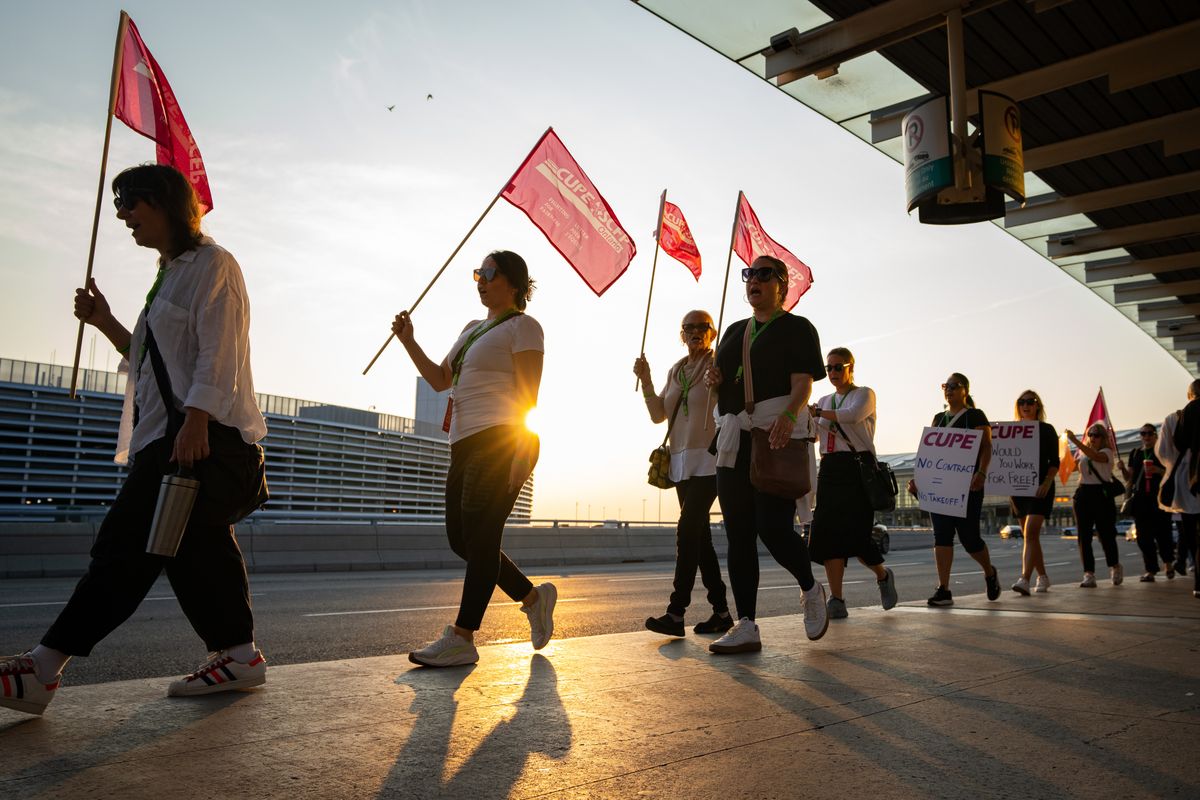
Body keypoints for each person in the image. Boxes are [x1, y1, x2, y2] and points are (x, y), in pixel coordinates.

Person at [1, 164, 268, 716]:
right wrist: (103, 321)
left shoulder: (212, 265)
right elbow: (152, 363)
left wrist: (196, 420)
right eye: (119, 202)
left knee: (123, 549)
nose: (122, 213)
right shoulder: (167, 275)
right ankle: (240, 657)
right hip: (164, 434)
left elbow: (220, 348)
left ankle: (44, 668)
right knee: (197, 549)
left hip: (191, 436)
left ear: (165, 202)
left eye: (130, 201)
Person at [392, 250, 556, 667]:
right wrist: (409, 340)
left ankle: (462, 637)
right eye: (477, 274)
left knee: (482, 539)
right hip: (463, 443)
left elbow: (529, 395)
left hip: (502, 439)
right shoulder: (471, 329)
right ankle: (534, 598)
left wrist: (523, 446)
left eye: (489, 273)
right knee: (461, 540)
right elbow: (439, 380)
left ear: (514, 283)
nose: (480, 280)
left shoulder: (524, 327)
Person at [703, 255, 829, 653]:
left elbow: (802, 383)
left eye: (762, 274)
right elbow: (723, 385)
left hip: (774, 435)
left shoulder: (797, 328)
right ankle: (746, 624)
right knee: (738, 533)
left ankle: (810, 587)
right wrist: (715, 380)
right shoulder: (734, 332)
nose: (752, 280)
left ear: (781, 284)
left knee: (773, 529)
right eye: (748, 275)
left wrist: (789, 415)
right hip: (734, 440)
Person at [633, 311, 733, 636]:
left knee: (687, 527)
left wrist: (721, 387)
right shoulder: (677, 370)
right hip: (680, 462)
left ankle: (676, 612)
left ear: (712, 332)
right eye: (688, 327)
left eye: (702, 327)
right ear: (682, 333)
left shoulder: (718, 363)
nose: (695, 332)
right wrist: (646, 380)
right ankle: (721, 612)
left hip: (710, 459)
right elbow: (657, 414)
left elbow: (730, 406)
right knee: (700, 538)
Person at [808, 347, 898, 618]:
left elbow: (852, 415)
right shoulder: (824, 399)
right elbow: (813, 432)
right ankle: (837, 599)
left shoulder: (864, 394)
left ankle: (882, 575)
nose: (833, 373)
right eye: (829, 368)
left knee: (857, 535)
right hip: (830, 467)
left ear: (850, 368)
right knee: (826, 534)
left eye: (838, 367)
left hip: (857, 467)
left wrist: (818, 412)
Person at [910, 373, 1001, 606]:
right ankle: (944, 589)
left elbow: (987, 446)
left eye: (953, 386)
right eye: (945, 386)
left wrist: (981, 473)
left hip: (968, 486)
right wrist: (919, 480)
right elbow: (929, 455)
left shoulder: (974, 416)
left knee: (970, 539)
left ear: (965, 390)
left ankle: (989, 572)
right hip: (941, 489)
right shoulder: (939, 419)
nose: (948, 390)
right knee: (941, 535)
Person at [1009, 390, 1060, 595]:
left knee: (1030, 533)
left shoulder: (1046, 430)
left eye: (1031, 401)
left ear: (1038, 405)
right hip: (1018, 490)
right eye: (1021, 402)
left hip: (1040, 487)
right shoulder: (1011, 431)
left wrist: (1047, 481)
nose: (1026, 405)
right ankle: (1043, 577)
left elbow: (1055, 462)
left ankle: (1024, 579)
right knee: (1029, 536)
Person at [1065, 423, 1123, 587]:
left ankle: (1115, 566)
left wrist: (1075, 441)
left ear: (1104, 438)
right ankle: (1089, 573)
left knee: (1106, 535)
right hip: (1083, 494)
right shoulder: (1083, 455)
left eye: (1097, 435)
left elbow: (1096, 457)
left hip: (1101, 495)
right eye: (1090, 435)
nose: (1093, 438)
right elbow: (1070, 468)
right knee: (1084, 536)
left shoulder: (1107, 452)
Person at [1118, 424, 1175, 581]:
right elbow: (1129, 478)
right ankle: (1151, 570)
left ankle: (1168, 564)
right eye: (1143, 433)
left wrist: (1158, 470)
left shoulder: (1162, 451)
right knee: (1143, 537)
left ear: (1155, 435)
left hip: (1160, 497)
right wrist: (1122, 469)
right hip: (1141, 499)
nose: (1146, 436)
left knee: (1163, 533)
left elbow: (1172, 472)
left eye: (1149, 433)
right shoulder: (1136, 453)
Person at [1171, 379, 1200, 598]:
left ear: (1191, 394)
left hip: (1196, 474)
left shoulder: (1191, 409)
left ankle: (1198, 581)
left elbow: (1179, 442)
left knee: (1193, 531)